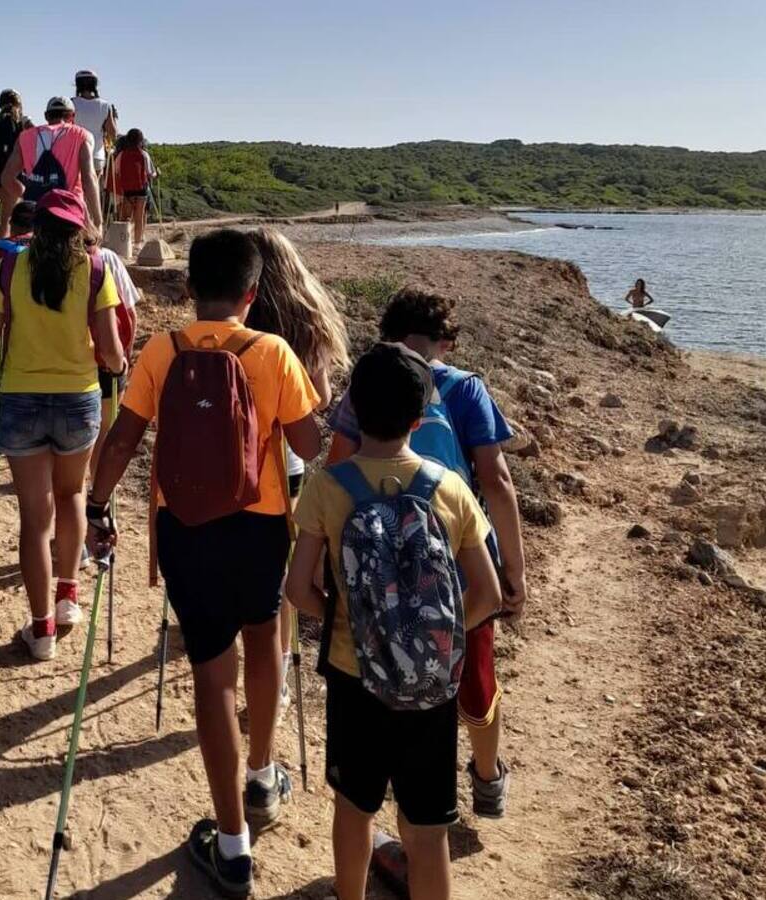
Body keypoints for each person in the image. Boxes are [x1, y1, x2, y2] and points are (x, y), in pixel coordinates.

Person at [85, 229, 322, 897]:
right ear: (252, 293)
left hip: (185, 530)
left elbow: (125, 437)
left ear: (189, 290)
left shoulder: (163, 349)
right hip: (261, 527)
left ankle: (232, 845)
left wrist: (98, 507)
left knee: (212, 674)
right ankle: (262, 773)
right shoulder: (272, 352)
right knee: (264, 637)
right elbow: (308, 441)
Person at [286, 343, 502, 900]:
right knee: (428, 831)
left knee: (354, 809)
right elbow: (488, 592)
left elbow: (297, 587)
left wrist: (352, 624)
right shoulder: (448, 488)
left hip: (352, 678)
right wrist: (443, 642)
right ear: (417, 418)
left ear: (353, 409)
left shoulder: (326, 487)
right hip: (429, 684)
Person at [327, 287, 527, 832]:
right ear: (443, 338)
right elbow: (498, 481)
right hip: (458, 565)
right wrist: (514, 572)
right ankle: (487, 778)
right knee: (474, 674)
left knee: (383, 667)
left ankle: (383, 787)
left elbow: (336, 468)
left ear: (391, 335)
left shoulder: (366, 388)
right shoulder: (466, 389)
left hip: (379, 561)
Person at [0, 190, 125, 661]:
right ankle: (68, 597)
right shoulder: (96, 272)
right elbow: (114, 354)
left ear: (37, 226)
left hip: (21, 399)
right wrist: (114, 368)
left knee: (34, 521)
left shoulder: (11, 268)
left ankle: (41, 633)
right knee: (72, 495)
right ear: (79, 229)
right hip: (78, 402)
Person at [243, 228, 350, 708]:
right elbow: (322, 399)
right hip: (283, 463)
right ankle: (278, 672)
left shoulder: (239, 318)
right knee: (276, 574)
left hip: (231, 457)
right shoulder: (307, 323)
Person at [0, 97, 103, 236]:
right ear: (72, 116)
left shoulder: (25, 136)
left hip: (37, 211)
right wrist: (97, 220)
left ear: (46, 116)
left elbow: (6, 178)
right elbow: (89, 177)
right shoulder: (81, 135)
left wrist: (27, 194)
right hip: (70, 211)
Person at [87, 240, 139, 481]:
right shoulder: (107, 259)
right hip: (106, 360)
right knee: (104, 427)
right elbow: (129, 312)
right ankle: (96, 488)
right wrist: (124, 355)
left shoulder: (41, 259)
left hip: (65, 361)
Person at [0, 89, 34, 235]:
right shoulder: (24, 119)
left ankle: (4, 247)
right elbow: (37, 137)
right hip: (17, 171)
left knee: (8, 211)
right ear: (19, 103)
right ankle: (11, 247)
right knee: (11, 211)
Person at [112, 128, 158, 248]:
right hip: (141, 190)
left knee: (126, 217)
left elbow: (116, 171)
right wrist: (156, 174)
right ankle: (137, 243)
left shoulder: (122, 154)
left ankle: (123, 244)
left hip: (127, 190)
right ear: (140, 140)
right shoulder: (144, 154)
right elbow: (149, 173)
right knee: (139, 217)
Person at [72, 69, 118, 180]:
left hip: (75, 154)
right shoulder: (105, 106)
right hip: (97, 155)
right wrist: (114, 118)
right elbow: (113, 134)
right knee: (93, 189)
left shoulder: (71, 104)